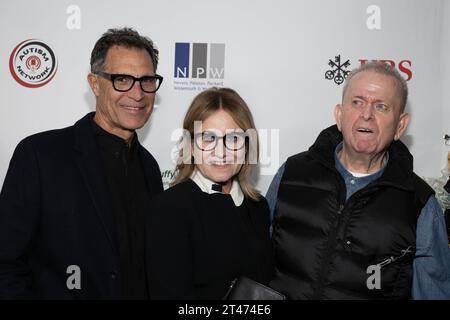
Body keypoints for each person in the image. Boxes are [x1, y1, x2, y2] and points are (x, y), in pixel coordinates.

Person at [0, 27, 164, 299]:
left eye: (146, 80)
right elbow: (5, 264)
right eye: (122, 79)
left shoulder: (150, 168)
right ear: (95, 83)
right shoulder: (40, 155)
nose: (137, 93)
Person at [267, 61, 450, 299]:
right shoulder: (291, 174)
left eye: (381, 106)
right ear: (340, 115)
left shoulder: (420, 205)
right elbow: (256, 262)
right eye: (357, 102)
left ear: (400, 125)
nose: (366, 114)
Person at [146, 87, 273, 299]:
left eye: (233, 139)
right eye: (207, 138)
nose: (221, 152)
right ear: (191, 147)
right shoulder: (169, 209)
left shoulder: (258, 206)